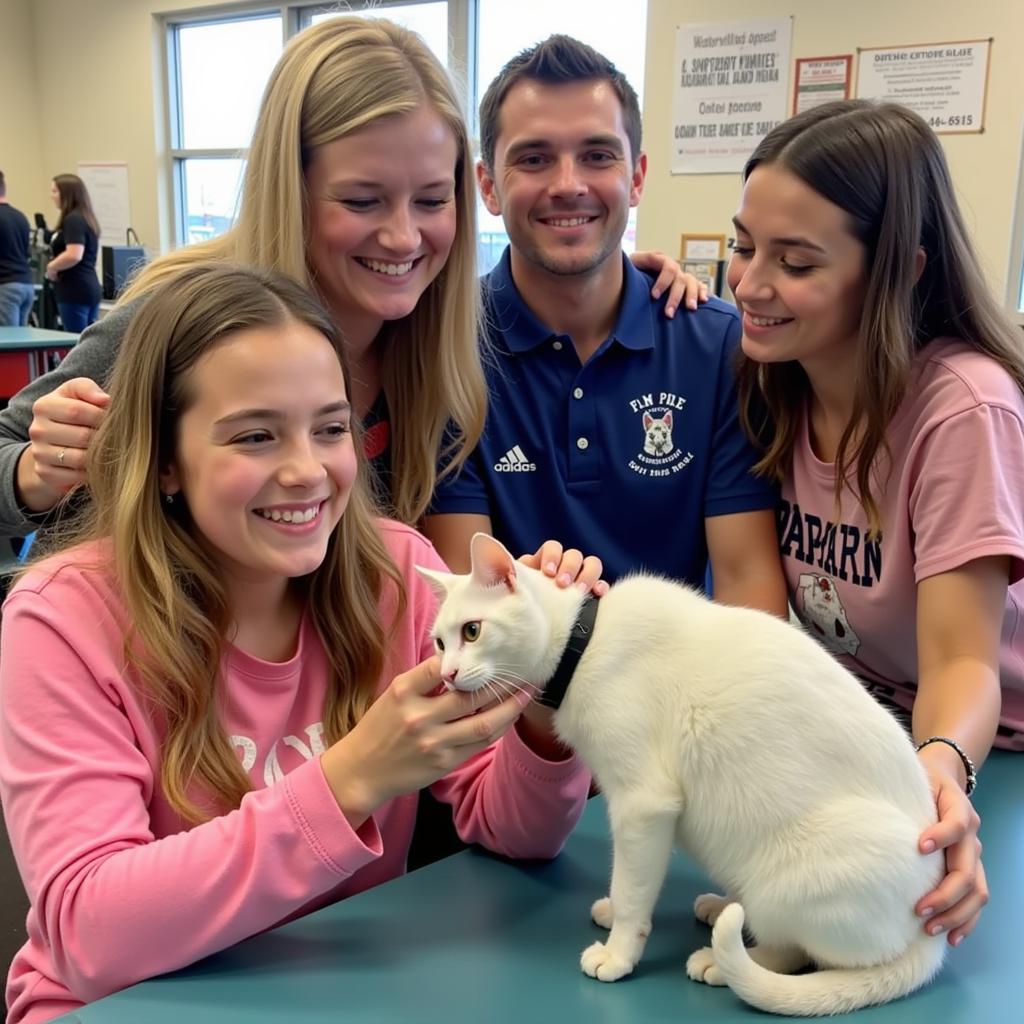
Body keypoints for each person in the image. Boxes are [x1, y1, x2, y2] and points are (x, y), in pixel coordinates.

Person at [0, 262, 592, 1024]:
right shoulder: (61, 618)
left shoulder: (401, 574)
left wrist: (547, 683)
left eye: (332, 428)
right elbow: (89, 935)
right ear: (168, 461)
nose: (308, 471)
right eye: (254, 435)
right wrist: (352, 777)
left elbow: (518, 832)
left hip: (343, 988)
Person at [0, 18, 694, 542]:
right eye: (362, 202)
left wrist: (614, 275)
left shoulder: (434, 345)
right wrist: (33, 474)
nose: (402, 237)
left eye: (430, 201)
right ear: (291, 189)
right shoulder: (184, 321)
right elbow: (14, 452)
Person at [728, 98, 1024, 949]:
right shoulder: (768, 376)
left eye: (796, 262)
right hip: (881, 731)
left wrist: (936, 778)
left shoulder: (963, 410)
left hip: (986, 746)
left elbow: (965, 660)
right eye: (745, 245)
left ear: (900, 269)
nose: (750, 284)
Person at [425, 35, 787, 617]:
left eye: (597, 155)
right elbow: (470, 606)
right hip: (514, 701)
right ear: (488, 185)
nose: (569, 183)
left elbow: (748, 589)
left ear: (637, 177)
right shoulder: (444, 352)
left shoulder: (718, 347)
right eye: (535, 158)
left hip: (682, 698)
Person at [45, 174, 102, 332]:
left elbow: (74, 254)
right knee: (89, 342)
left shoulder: (73, 219)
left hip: (74, 290)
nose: (52, 196)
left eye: (55, 191)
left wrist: (52, 267)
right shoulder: (85, 218)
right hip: (88, 287)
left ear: (67, 194)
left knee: (75, 343)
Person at [0, 171, 35, 327]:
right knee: (21, 341)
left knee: (7, 343)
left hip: (6, 286)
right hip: (26, 285)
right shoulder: (20, 216)